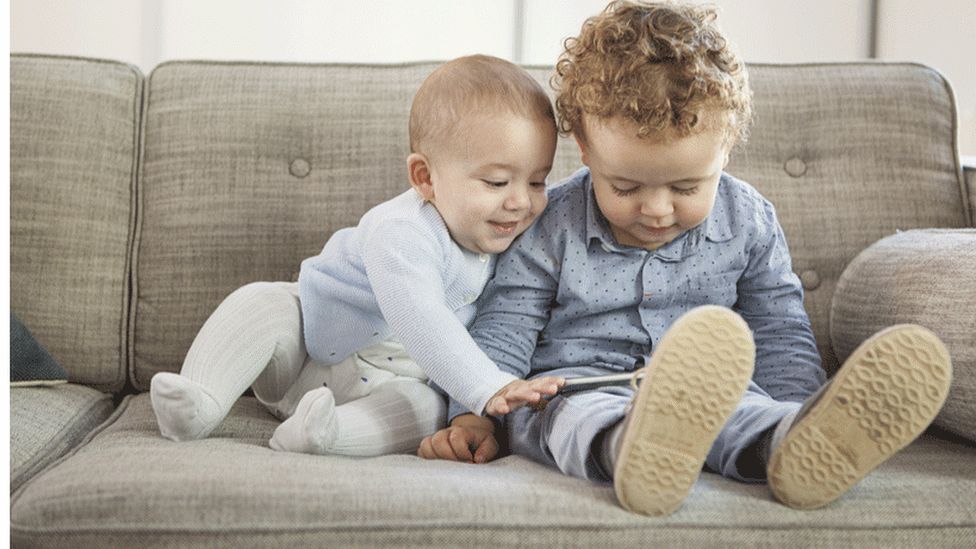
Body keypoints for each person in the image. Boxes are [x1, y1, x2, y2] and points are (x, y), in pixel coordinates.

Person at [417, 0, 953, 516]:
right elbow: (506, 327)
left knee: (746, 410)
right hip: (575, 384)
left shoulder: (750, 220)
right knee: (572, 418)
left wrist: (799, 407)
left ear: (726, 150)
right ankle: (633, 450)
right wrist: (474, 414)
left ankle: (791, 445)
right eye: (624, 186)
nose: (655, 210)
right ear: (583, 147)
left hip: (706, 389)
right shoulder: (550, 223)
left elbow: (778, 331)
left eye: (685, 186)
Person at [150, 54, 564, 456]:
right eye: (496, 182)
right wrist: (487, 386)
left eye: (537, 182)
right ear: (425, 178)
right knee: (265, 304)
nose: (520, 202)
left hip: (385, 383)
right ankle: (201, 399)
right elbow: (419, 315)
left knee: (426, 410)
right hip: (304, 353)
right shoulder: (402, 229)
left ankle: (326, 434)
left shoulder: (514, 242)